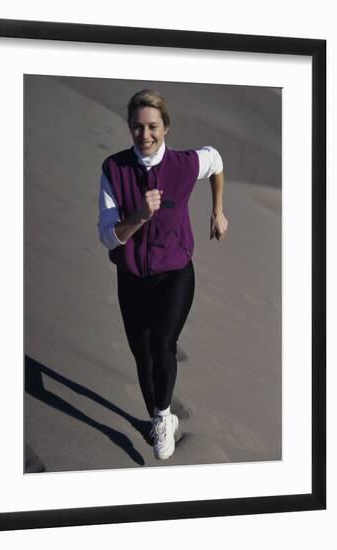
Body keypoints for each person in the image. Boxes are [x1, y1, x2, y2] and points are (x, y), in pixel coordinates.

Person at [97, 89, 228, 460]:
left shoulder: (185, 165)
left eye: (153, 126)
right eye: (137, 127)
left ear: (166, 127)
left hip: (175, 272)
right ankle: (158, 413)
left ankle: (161, 418)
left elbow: (216, 161)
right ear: (130, 128)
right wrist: (138, 215)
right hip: (132, 275)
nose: (145, 134)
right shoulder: (113, 170)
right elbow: (107, 236)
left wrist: (217, 210)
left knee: (162, 344)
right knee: (142, 354)